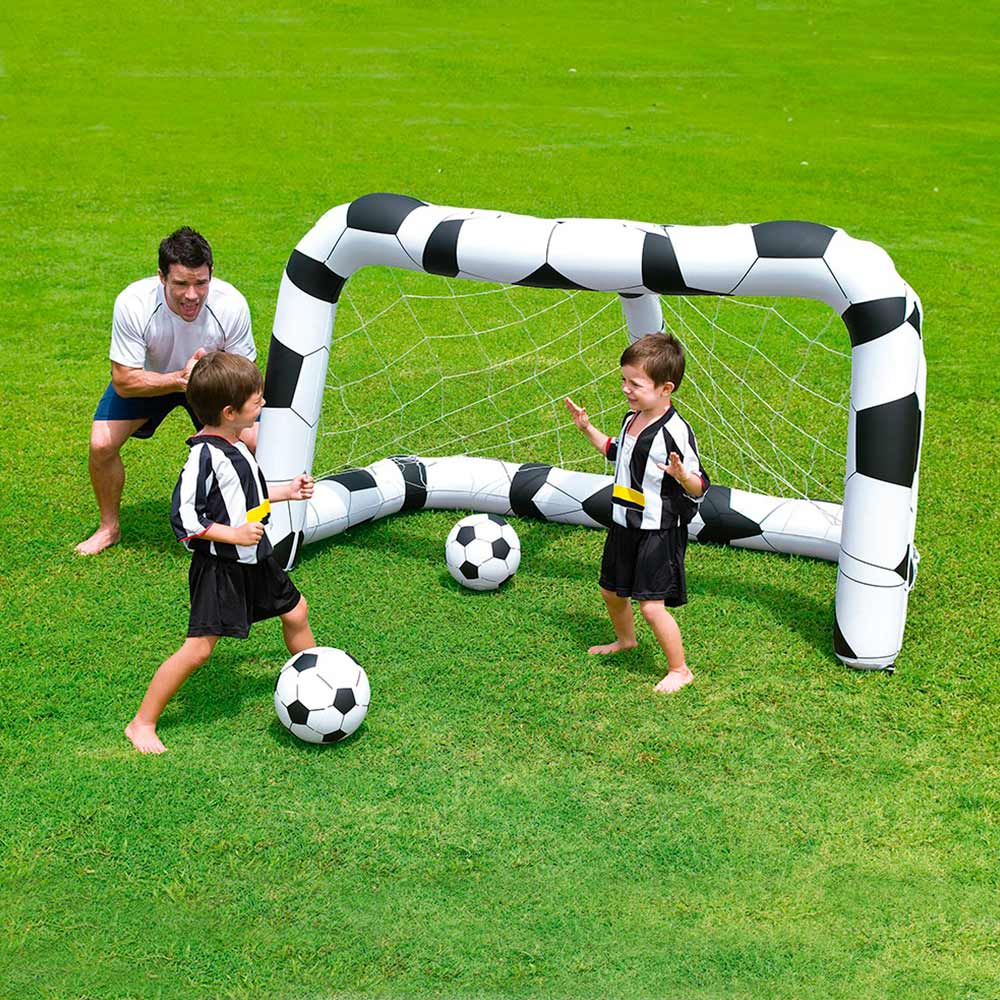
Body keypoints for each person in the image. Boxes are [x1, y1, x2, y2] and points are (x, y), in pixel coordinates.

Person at [125, 352, 315, 754]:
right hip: (220, 568)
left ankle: (316, 678)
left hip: (256, 557)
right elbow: (185, 519)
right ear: (230, 412)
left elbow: (248, 496)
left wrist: (287, 491)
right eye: (256, 400)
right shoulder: (203, 457)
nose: (263, 403)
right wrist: (234, 535)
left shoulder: (238, 444)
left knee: (296, 611)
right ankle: (142, 722)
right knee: (198, 650)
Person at [76, 227, 256, 555]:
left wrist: (209, 388)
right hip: (151, 380)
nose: (192, 295)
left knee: (256, 442)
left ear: (212, 274)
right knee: (101, 444)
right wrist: (179, 380)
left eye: (201, 283)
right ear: (162, 277)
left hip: (210, 384)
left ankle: (255, 521)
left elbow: (245, 374)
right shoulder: (134, 303)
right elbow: (124, 380)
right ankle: (109, 528)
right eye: (181, 284)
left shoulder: (231, 304)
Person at [565, 332, 709, 694]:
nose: (626, 389)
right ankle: (626, 641)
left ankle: (680, 670)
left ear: (666, 388)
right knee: (611, 592)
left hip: (658, 530)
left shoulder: (675, 432)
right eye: (624, 380)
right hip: (624, 523)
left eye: (635, 384)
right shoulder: (632, 419)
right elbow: (616, 451)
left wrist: (682, 476)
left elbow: (700, 485)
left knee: (651, 606)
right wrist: (586, 428)